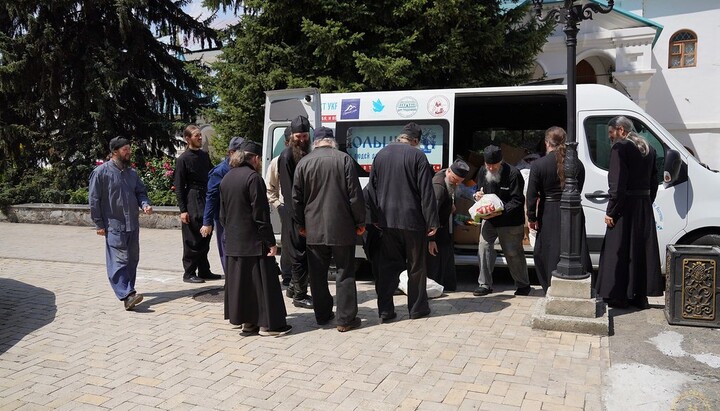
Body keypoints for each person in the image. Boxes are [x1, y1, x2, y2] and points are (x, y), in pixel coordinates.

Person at [292, 127, 366, 332]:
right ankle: (345, 319)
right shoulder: (344, 159)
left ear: (315, 142)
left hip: (313, 228)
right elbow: (354, 195)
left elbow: (296, 199)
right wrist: (360, 222)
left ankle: (323, 315)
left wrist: (300, 224)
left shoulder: (304, 163)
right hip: (342, 227)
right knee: (345, 272)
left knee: (317, 274)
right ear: (332, 141)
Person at [367, 122, 439, 322]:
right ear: (415, 141)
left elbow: (371, 190)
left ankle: (385, 311)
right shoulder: (418, 156)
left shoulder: (380, 155)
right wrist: (432, 221)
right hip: (413, 222)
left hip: (386, 222)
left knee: (387, 267)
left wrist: (375, 218)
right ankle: (417, 309)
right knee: (416, 267)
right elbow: (426, 192)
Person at [220, 140, 291, 336]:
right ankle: (268, 325)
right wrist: (270, 242)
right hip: (254, 242)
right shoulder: (253, 178)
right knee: (262, 285)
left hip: (234, 243)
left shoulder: (227, 178)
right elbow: (260, 215)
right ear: (256, 158)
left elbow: (222, 216)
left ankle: (248, 323)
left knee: (243, 285)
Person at [595, 116, 663, 309]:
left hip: (625, 207)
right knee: (638, 250)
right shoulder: (649, 149)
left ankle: (618, 295)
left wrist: (611, 211)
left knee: (619, 250)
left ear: (621, 130)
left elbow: (617, 185)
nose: (610, 138)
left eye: (611, 133)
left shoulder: (620, 148)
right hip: (643, 205)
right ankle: (638, 296)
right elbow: (653, 183)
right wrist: (647, 202)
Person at [89, 136, 153, 311]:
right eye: (125, 149)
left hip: (132, 224)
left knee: (132, 259)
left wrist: (145, 204)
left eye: (129, 149)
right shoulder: (101, 173)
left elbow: (140, 192)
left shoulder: (131, 173)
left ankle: (129, 293)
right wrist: (99, 224)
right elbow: (94, 200)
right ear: (115, 152)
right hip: (113, 225)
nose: (129, 152)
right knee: (118, 261)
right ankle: (126, 294)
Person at [526, 127, 592, 293]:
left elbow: (532, 195)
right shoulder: (577, 163)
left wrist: (531, 218)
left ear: (547, 143)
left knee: (549, 249)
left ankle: (550, 285)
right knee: (575, 246)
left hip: (549, 211)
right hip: (573, 210)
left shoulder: (539, 165)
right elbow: (580, 187)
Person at [474, 145, 532, 297]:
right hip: (489, 219)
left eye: (494, 165)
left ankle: (523, 285)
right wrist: (477, 196)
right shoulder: (482, 171)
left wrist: (499, 211)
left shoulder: (513, 173)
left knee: (513, 253)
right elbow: (478, 190)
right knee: (484, 247)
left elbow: (518, 200)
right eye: (488, 165)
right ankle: (484, 284)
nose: (491, 168)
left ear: (501, 162)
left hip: (510, 220)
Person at [175, 125, 220, 284]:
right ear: (188, 139)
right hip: (192, 197)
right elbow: (179, 186)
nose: (200, 138)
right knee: (192, 236)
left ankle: (204, 269)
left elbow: (212, 174)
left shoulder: (204, 156)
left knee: (206, 233)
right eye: (196, 136)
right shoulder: (183, 159)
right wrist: (183, 210)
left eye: (200, 135)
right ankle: (189, 272)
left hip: (205, 195)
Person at [278, 116, 313, 309]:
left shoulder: (306, 153)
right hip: (295, 215)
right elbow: (289, 192)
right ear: (292, 136)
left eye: (305, 136)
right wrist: (299, 222)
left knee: (304, 254)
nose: (302, 140)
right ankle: (300, 295)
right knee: (299, 256)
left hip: (303, 213)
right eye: (298, 136)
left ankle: (293, 287)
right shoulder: (286, 157)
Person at [199, 136, 244, 274]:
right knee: (227, 250)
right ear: (231, 152)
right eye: (240, 152)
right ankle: (231, 281)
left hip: (241, 216)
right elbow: (211, 197)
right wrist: (207, 222)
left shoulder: (243, 168)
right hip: (223, 218)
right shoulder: (219, 172)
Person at [428, 159, 470, 291]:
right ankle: (433, 289)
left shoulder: (446, 177)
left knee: (446, 256)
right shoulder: (438, 186)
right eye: (454, 179)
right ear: (449, 171)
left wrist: (449, 204)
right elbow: (431, 213)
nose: (456, 183)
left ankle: (446, 286)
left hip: (442, 227)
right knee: (434, 260)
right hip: (433, 230)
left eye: (459, 181)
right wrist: (431, 240)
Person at [266, 127, 292, 287]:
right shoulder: (277, 161)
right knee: (288, 243)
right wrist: (278, 206)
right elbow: (270, 188)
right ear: (286, 142)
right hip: (286, 208)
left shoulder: (307, 158)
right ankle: (287, 274)